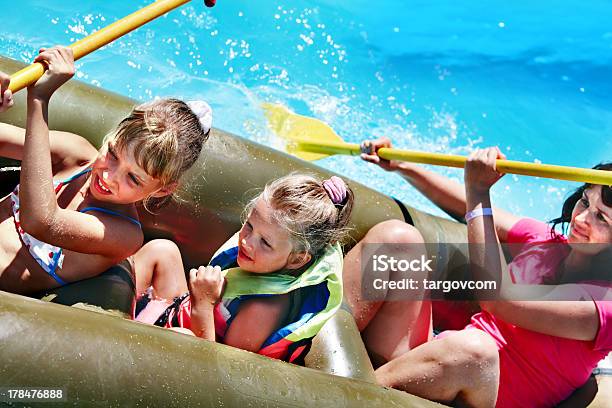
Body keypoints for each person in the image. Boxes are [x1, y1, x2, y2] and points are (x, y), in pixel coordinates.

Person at [352, 137, 611, 407]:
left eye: (601, 217)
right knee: (396, 240)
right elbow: (463, 204)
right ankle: (315, 350)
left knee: (476, 351)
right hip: (434, 371)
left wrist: (479, 191)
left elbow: (498, 300)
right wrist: (402, 165)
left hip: (478, 390)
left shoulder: (606, 305)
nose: (580, 220)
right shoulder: (544, 242)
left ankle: (345, 395)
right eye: (584, 201)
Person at [0, 46, 210, 295]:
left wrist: (39, 100)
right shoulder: (77, 155)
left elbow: (40, 222)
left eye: (133, 178)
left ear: (163, 189)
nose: (108, 177)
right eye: (112, 153)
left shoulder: (122, 233)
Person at [132, 173, 354, 363]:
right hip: (174, 313)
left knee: (182, 336)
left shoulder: (263, 309)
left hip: (188, 346)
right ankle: (113, 314)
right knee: (162, 250)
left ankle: (115, 340)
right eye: (248, 226)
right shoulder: (261, 263)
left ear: (296, 260)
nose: (247, 241)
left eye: (265, 242)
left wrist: (204, 303)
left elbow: (212, 366)